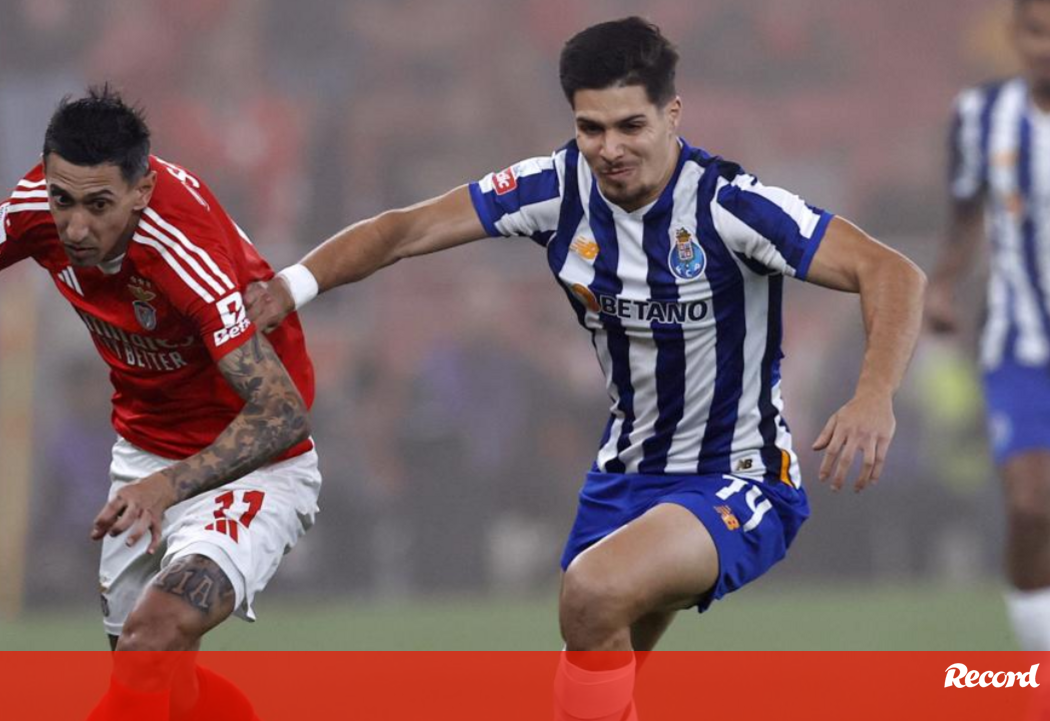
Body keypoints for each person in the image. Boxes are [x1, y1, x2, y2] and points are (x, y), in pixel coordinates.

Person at [247, 17, 924, 720]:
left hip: (738, 475)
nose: (610, 149)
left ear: (672, 114)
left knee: (593, 592)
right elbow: (403, 230)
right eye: (591, 128)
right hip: (622, 479)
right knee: (593, 679)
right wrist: (292, 286)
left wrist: (874, 394)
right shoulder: (554, 189)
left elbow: (893, 272)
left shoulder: (730, 205)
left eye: (631, 126)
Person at [0, 87, 319, 718]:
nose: (74, 227)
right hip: (145, 457)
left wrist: (169, 486)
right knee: (160, 682)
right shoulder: (31, 210)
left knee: (153, 636)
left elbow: (282, 411)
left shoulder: (183, 255)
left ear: (141, 191)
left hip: (250, 464)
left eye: (99, 206)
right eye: (62, 200)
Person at [927, 0, 1050, 652]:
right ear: (1015, 35)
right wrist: (944, 284)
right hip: (1018, 343)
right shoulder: (981, 116)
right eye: (1037, 31)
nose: (1047, 46)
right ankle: (1039, 667)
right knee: (1030, 506)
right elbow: (964, 213)